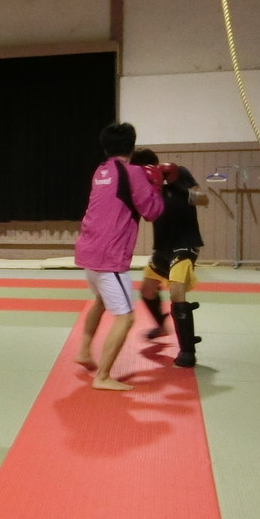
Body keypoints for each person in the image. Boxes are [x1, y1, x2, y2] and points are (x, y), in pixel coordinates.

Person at [73, 123, 164, 391]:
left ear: (105, 148)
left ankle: (84, 351)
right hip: (110, 257)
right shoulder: (133, 173)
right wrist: (156, 185)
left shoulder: (101, 171)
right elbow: (152, 211)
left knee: (101, 301)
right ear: (132, 146)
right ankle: (102, 376)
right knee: (126, 317)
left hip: (89, 250)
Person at [130, 148, 208, 368]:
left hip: (185, 244)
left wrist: (177, 185)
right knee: (147, 291)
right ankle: (162, 326)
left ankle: (188, 350)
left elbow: (203, 199)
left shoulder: (179, 172)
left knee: (176, 293)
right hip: (162, 247)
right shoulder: (144, 185)